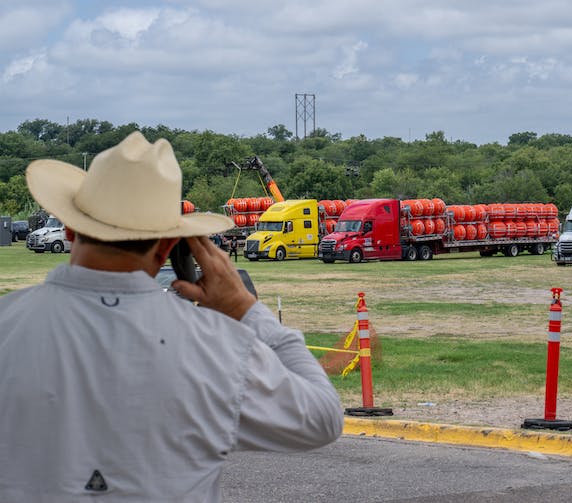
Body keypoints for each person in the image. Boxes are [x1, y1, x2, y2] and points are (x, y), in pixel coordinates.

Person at [0, 132, 343, 502]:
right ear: (167, 247)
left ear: (70, 229)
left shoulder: (8, 324)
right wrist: (245, 310)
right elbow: (322, 418)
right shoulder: (218, 346)